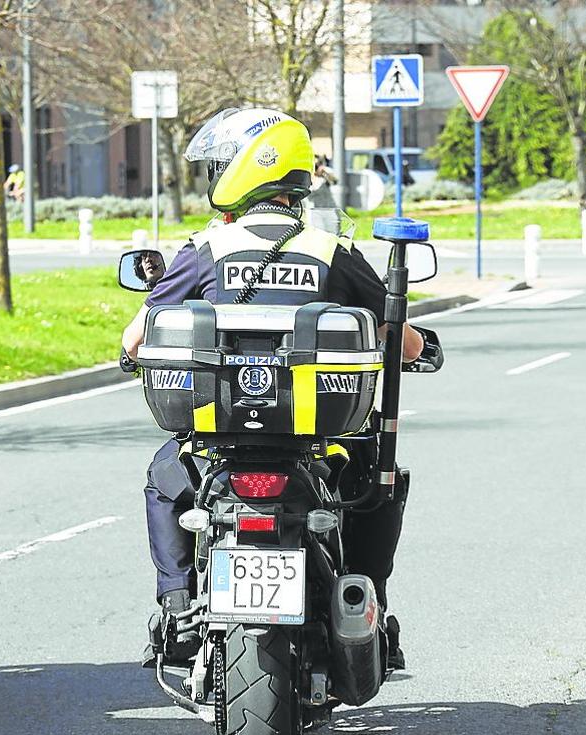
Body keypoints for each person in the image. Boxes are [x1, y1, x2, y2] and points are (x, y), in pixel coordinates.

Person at [121, 108, 425, 669]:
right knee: (377, 481)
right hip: (316, 440)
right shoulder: (332, 249)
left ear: (242, 170)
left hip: (220, 438)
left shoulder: (204, 249)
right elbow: (402, 344)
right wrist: (421, 346)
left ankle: (179, 606)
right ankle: (365, 600)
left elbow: (137, 339)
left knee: (167, 479)